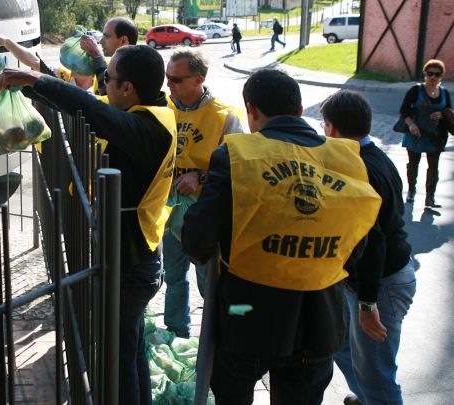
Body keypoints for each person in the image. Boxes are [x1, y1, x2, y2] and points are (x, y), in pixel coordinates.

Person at [182, 69, 382, 404]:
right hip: (319, 318)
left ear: (251, 111)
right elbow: (360, 242)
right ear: (300, 111)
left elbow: (197, 239)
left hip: (245, 313)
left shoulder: (237, 155)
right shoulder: (346, 159)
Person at [0, 45, 176, 405]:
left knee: (119, 358)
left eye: (108, 79)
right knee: (130, 347)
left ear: (128, 88)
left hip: (132, 261)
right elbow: (88, 104)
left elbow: (93, 111)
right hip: (138, 254)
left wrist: (34, 79)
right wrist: (34, 86)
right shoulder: (154, 111)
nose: (102, 83)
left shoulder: (146, 127)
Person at [323, 90, 415, 405]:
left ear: (332, 128)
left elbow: (372, 242)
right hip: (374, 279)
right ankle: (366, 398)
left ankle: (373, 398)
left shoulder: (359, 168)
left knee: (378, 377)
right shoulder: (373, 156)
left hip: (381, 283)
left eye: (324, 127)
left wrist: (367, 303)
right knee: (341, 344)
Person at [162, 49, 243, 338]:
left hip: (206, 217)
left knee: (209, 283)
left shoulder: (224, 116)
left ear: (198, 79)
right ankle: (176, 334)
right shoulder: (163, 108)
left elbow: (239, 168)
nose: (169, 84)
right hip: (170, 212)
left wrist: (201, 177)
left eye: (176, 79)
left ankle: (215, 341)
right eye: (167, 77)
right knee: (173, 278)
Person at [399, 58, 449, 207]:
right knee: (413, 164)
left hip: (435, 136)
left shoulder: (444, 92)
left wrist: (442, 114)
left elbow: (449, 110)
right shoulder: (415, 90)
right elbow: (404, 110)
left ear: (441, 76)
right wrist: (411, 125)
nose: (433, 77)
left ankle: (430, 197)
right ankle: (411, 190)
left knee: (433, 167)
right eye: (430, 73)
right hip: (416, 134)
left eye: (437, 74)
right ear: (425, 74)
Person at [0, 34, 97, 91]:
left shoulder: (101, 87)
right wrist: (6, 42)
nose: (71, 69)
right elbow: (33, 61)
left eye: (77, 66)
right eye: (70, 64)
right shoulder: (63, 76)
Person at [79, 16, 138, 95]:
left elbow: (109, 95)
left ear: (123, 40)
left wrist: (97, 56)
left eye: (106, 36)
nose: (100, 41)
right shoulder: (117, 64)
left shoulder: (135, 70)